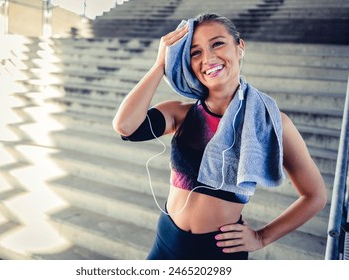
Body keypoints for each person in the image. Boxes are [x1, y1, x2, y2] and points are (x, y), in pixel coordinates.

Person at [112, 13, 327, 260]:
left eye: (217, 44)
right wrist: (160, 64)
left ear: (240, 47)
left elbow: (315, 196)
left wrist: (261, 237)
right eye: (195, 53)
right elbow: (125, 125)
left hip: (218, 251)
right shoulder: (180, 114)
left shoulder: (271, 122)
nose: (208, 58)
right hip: (167, 242)